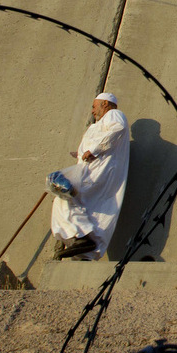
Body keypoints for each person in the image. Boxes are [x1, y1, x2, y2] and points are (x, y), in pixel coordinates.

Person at [51, 92, 130, 260]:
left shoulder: (114, 114)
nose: (93, 111)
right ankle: (85, 248)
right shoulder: (98, 125)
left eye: (95, 106)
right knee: (85, 207)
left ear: (105, 104)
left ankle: (80, 236)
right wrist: (80, 154)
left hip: (98, 172)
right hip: (91, 170)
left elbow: (118, 129)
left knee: (65, 195)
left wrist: (93, 150)